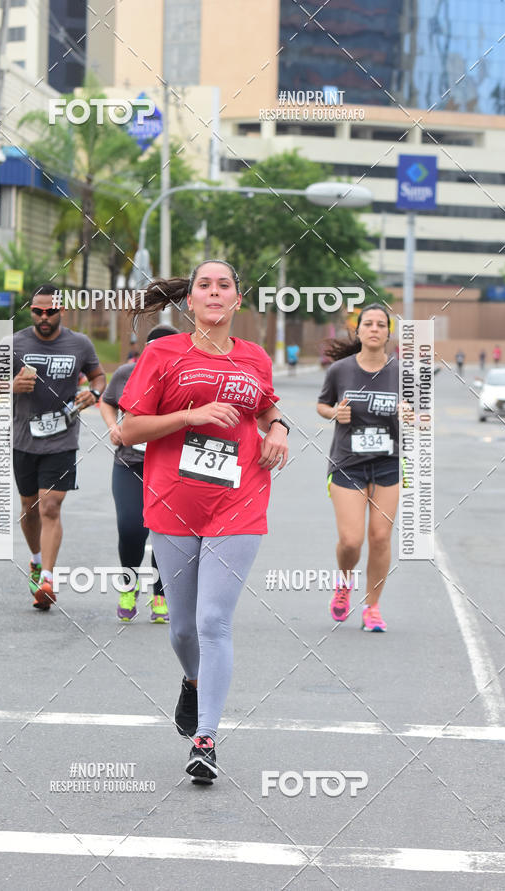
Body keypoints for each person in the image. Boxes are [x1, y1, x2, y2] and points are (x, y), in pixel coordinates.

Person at [119, 260, 289, 783]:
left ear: (237, 300)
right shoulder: (162, 353)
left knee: (214, 622)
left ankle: (206, 738)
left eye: (225, 286)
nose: (215, 292)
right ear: (189, 301)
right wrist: (189, 417)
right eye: (204, 286)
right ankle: (193, 682)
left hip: (238, 499)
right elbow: (127, 431)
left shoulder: (255, 358)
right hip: (172, 499)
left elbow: (264, 408)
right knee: (184, 626)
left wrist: (278, 427)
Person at [12, 284, 105, 610]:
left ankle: (48, 578)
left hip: (63, 439)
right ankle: (36, 560)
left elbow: (98, 377)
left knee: (50, 505)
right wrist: (11, 385)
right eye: (38, 311)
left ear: (61, 311)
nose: (44, 317)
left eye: (50, 311)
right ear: (31, 311)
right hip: (24, 438)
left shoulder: (79, 344)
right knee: (30, 507)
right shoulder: (16, 343)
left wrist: (93, 394)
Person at [316, 303, 401, 633]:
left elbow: (423, 415)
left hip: (387, 464)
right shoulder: (341, 370)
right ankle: (344, 581)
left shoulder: (399, 373)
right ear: (359, 330)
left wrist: (411, 416)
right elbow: (322, 405)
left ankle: (373, 606)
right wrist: (334, 412)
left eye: (382, 324)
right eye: (369, 323)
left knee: (380, 537)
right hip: (348, 463)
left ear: (388, 333)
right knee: (351, 541)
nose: (375, 328)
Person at [99, 325, 179, 623]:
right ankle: (129, 585)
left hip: (170, 467)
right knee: (131, 527)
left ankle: (161, 593)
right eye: (152, 351)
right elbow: (107, 401)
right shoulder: (125, 374)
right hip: (130, 463)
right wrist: (113, 426)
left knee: (166, 532)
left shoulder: (185, 381)